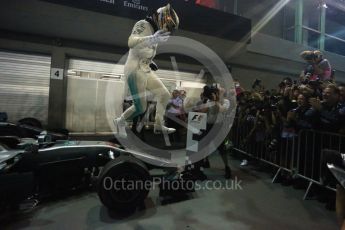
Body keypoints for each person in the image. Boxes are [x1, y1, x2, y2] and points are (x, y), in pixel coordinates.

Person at [114, 4, 179, 138]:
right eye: (168, 26)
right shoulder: (143, 24)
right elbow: (132, 43)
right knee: (141, 107)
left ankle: (158, 125)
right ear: (162, 19)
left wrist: (151, 61)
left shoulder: (154, 31)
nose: (167, 30)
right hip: (134, 70)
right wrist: (152, 38)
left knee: (165, 95)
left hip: (145, 69)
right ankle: (120, 121)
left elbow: (142, 52)